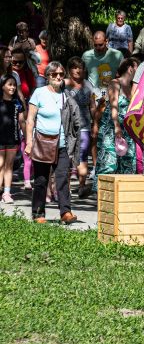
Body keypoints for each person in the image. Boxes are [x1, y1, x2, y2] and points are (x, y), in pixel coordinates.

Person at [24, 62, 81, 224]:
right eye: (54, 74)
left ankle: (65, 212)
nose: (58, 77)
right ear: (48, 76)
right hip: (42, 143)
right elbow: (30, 120)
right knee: (41, 180)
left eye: (61, 74)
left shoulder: (66, 95)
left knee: (62, 178)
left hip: (62, 144)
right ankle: (38, 214)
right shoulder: (39, 93)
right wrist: (29, 142)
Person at [93, 58, 138, 190]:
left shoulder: (132, 88)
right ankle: (103, 194)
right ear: (130, 68)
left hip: (127, 131)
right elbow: (114, 107)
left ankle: (123, 195)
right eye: (137, 68)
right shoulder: (115, 83)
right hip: (111, 128)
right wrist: (117, 125)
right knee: (108, 162)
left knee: (128, 163)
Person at [64, 57, 96, 198]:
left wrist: (95, 124)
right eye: (74, 67)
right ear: (69, 70)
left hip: (84, 126)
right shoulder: (64, 85)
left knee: (82, 156)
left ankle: (82, 186)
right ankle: (66, 189)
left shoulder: (88, 85)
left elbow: (93, 106)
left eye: (80, 67)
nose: (78, 70)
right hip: (66, 127)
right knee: (67, 158)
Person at [10, 48, 37, 190]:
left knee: (25, 142)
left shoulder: (27, 73)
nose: (18, 64)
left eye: (21, 62)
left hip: (25, 106)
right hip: (12, 106)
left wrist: (28, 111)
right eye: (15, 61)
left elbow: (32, 90)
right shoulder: (11, 74)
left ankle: (26, 174)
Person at [0, 75, 25, 203]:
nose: (13, 87)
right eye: (9, 84)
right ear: (2, 86)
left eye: (14, 85)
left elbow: (22, 121)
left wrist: (27, 137)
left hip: (13, 138)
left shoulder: (17, 103)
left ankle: (7, 193)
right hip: (0, 138)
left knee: (9, 166)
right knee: (0, 164)